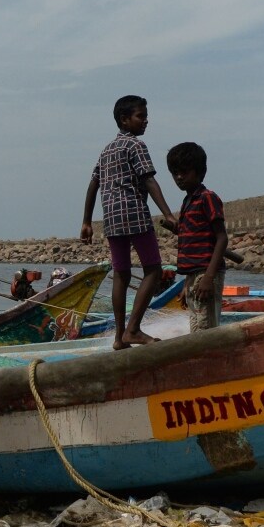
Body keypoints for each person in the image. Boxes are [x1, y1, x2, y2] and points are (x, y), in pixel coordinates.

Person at [81, 95, 176, 348]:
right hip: (133, 212)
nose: (145, 121)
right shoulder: (135, 145)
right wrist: (168, 214)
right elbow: (148, 180)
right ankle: (133, 329)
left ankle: (118, 337)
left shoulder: (106, 150)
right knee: (153, 270)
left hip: (111, 218)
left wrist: (87, 221)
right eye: (140, 117)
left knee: (121, 275)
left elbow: (93, 185)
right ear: (125, 120)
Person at [166, 142, 228, 332]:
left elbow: (222, 238)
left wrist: (208, 278)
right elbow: (192, 251)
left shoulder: (207, 198)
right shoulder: (187, 201)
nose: (179, 177)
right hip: (194, 276)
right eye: (175, 173)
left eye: (184, 172)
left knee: (205, 331)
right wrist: (187, 284)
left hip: (206, 274)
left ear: (199, 172)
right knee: (196, 328)